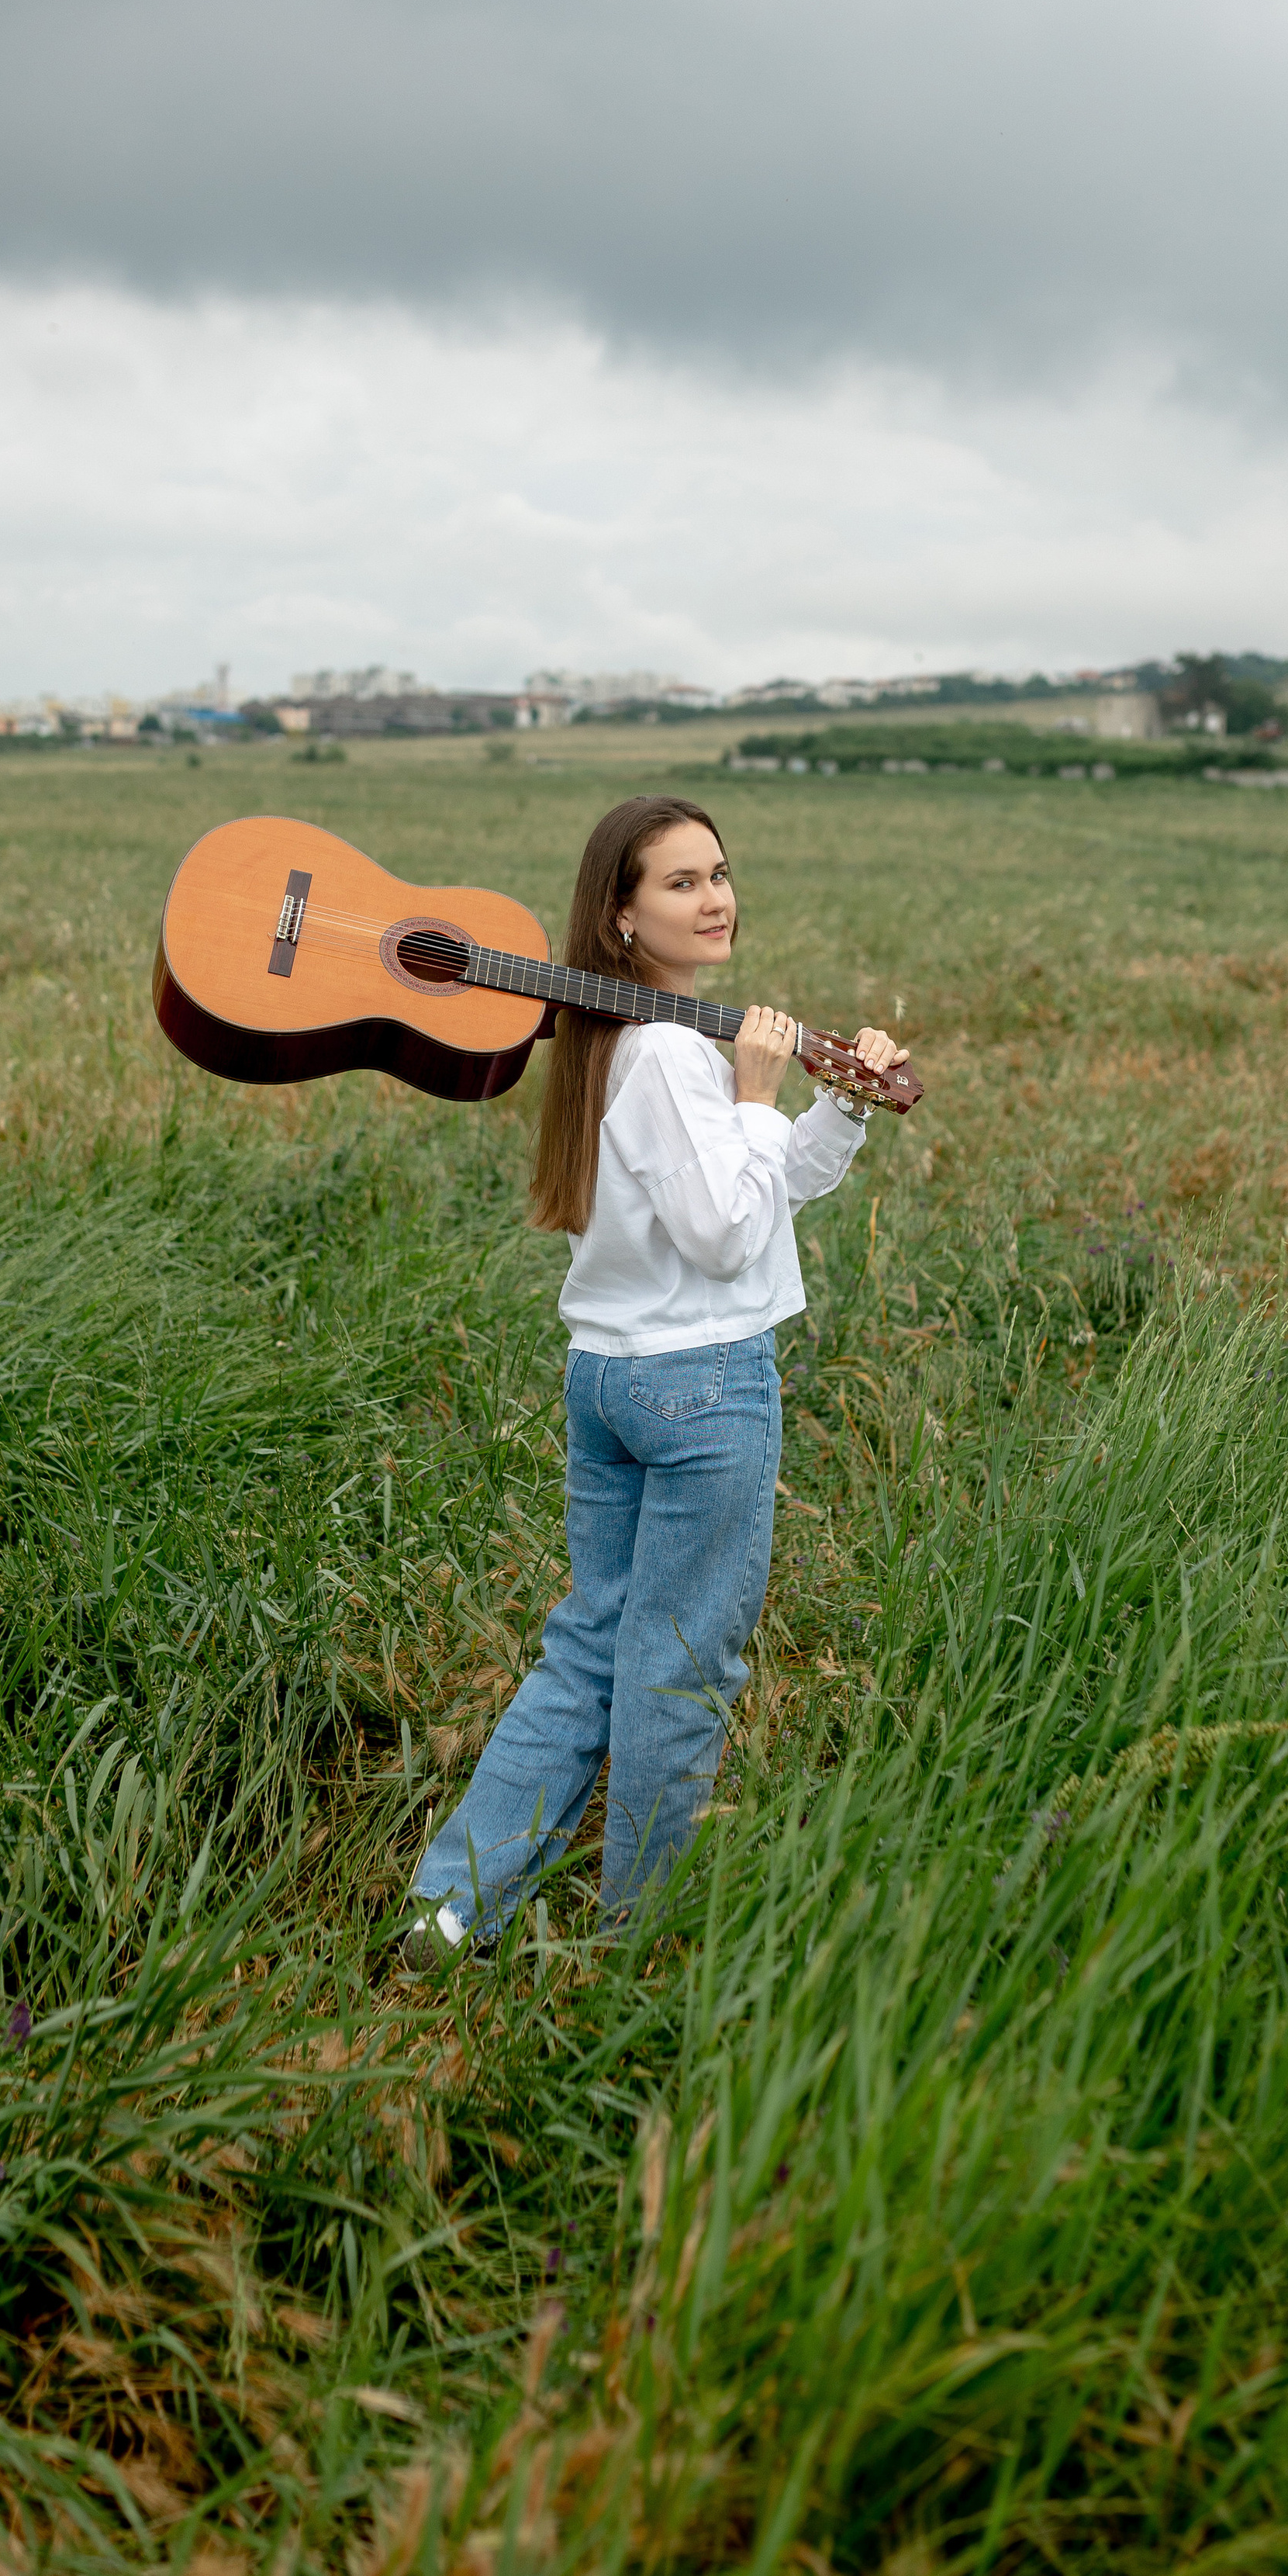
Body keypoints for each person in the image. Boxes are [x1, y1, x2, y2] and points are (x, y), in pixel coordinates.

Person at [402, 794, 908, 1964]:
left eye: (719, 872)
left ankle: (450, 1909)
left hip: (612, 1382)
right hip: (703, 1388)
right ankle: (643, 1943)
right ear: (619, 918)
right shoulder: (679, 1058)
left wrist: (834, 1101)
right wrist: (751, 1091)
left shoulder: (619, 1045)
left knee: (591, 1647)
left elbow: (773, 1181)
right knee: (679, 1672)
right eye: (680, 883)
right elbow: (730, 1232)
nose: (716, 896)